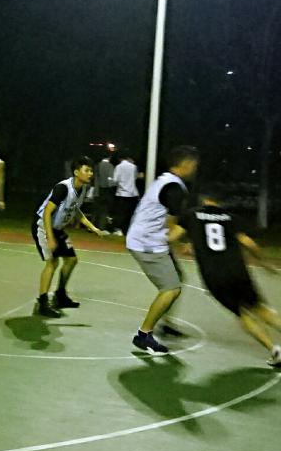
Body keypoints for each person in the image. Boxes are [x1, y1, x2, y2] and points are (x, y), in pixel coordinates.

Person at [172, 195, 281, 370]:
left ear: (204, 200)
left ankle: (274, 349)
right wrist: (264, 262)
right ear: (220, 201)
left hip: (214, 275)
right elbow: (248, 243)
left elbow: (172, 236)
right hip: (238, 271)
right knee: (259, 308)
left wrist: (181, 246)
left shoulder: (191, 215)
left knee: (242, 315)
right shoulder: (231, 218)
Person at [125, 145, 198, 355]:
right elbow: (171, 226)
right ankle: (144, 335)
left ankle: (166, 323)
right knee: (171, 289)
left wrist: (178, 243)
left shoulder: (167, 181)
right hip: (147, 243)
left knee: (177, 279)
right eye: (194, 164)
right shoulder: (174, 188)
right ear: (186, 164)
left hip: (149, 239)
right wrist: (185, 245)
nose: (195, 168)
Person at [31, 156, 107, 318]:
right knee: (52, 263)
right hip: (43, 226)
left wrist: (93, 227)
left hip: (57, 229)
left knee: (71, 260)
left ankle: (60, 295)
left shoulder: (82, 188)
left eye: (91, 171)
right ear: (76, 172)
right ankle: (43, 303)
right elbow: (47, 212)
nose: (90, 174)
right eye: (87, 170)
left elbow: (75, 210)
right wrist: (50, 237)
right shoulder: (63, 188)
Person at [111, 152, 141, 236]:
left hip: (122, 193)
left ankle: (120, 230)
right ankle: (128, 230)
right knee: (130, 213)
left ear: (119, 159)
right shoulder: (133, 167)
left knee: (120, 213)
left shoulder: (118, 167)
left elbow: (115, 180)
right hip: (132, 194)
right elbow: (135, 178)